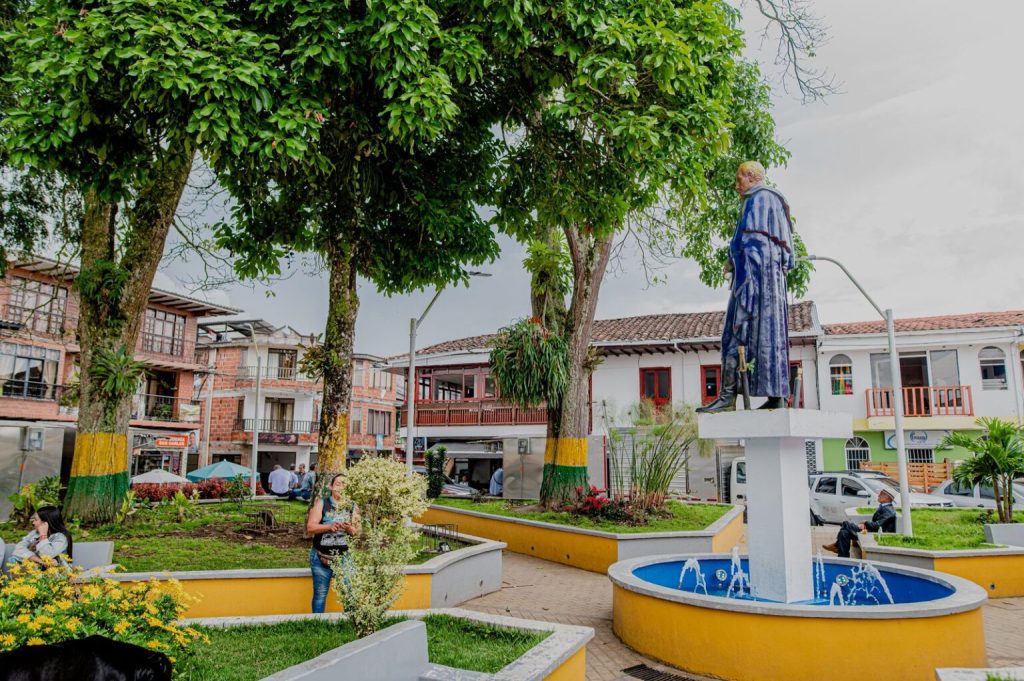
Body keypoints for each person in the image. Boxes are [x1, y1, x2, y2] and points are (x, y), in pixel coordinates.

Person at [697, 161, 796, 413]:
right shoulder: (770, 201)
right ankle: (776, 395)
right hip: (768, 283)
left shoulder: (759, 198)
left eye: (739, 178)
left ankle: (728, 396)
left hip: (755, 279)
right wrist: (733, 260)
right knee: (769, 336)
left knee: (734, 333)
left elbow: (754, 243)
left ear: (751, 177)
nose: (736, 185)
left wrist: (741, 268)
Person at [306, 472, 360, 613]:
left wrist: (348, 528)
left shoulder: (352, 506)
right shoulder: (322, 503)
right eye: (338, 484)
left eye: (344, 484)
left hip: (344, 558)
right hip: (321, 557)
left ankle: (350, 621)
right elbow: (310, 527)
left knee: (350, 593)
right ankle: (317, 623)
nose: (341, 487)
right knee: (320, 595)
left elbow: (357, 532)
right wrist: (329, 526)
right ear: (331, 487)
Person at [823, 489, 897, 558]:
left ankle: (837, 547)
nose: (878, 495)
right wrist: (865, 525)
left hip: (876, 535)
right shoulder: (885, 507)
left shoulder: (888, 511)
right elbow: (877, 524)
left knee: (846, 524)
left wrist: (865, 523)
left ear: (887, 497)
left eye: (881, 494)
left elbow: (877, 525)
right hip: (872, 531)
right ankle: (843, 557)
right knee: (844, 532)